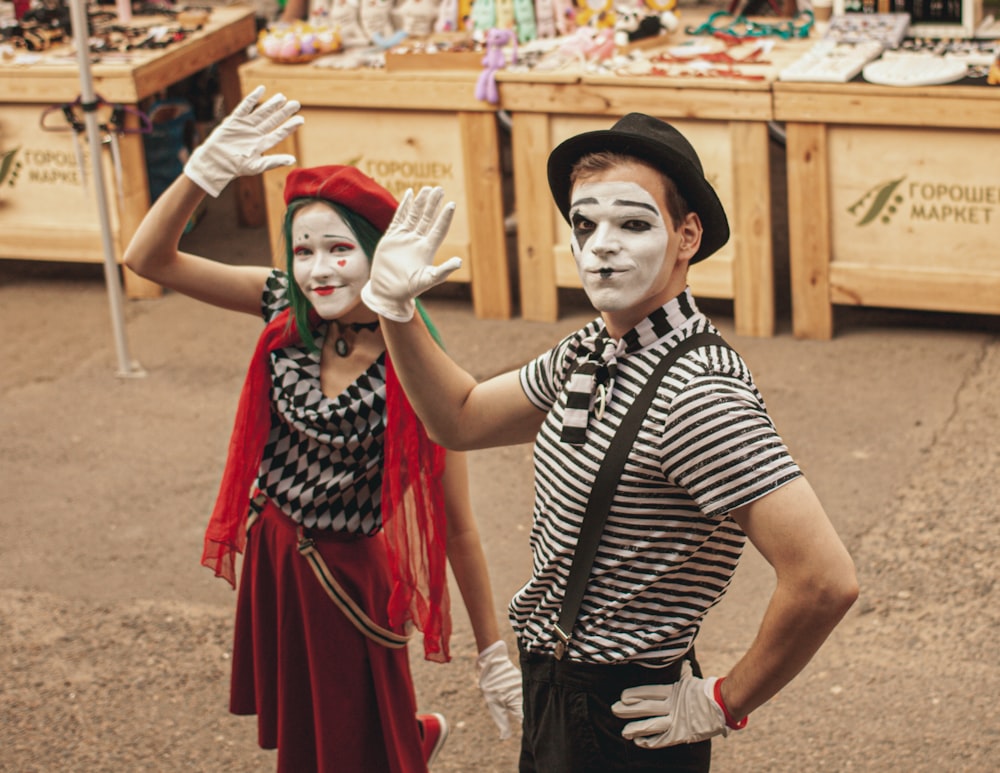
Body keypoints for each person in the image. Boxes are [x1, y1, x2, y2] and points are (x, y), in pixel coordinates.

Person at [360, 113, 860, 772]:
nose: (601, 246)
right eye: (584, 224)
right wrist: (395, 311)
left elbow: (825, 580)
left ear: (687, 236)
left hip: (620, 711)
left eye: (631, 224)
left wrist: (725, 699)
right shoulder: (594, 348)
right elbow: (459, 416)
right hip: (559, 691)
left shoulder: (698, 394)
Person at [123, 86, 522, 773]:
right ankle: (411, 730)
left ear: (380, 254)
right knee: (321, 726)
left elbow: (456, 525)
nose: (316, 269)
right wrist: (200, 176)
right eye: (302, 249)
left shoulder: (418, 371)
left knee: (350, 741)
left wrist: (493, 652)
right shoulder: (283, 303)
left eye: (339, 248)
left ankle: (409, 734)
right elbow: (149, 259)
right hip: (278, 551)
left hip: (348, 569)